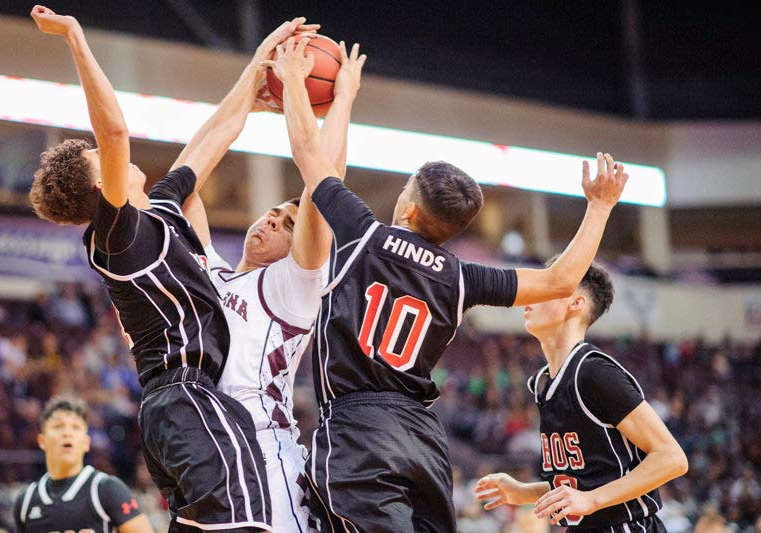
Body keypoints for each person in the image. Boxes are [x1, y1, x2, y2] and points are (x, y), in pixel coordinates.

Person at [264, 37, 630, 532]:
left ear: (409, 208)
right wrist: (601, 207)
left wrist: (298, 85)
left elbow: (310, 155)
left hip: (358, 429)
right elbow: (561, 279)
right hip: (423, 440)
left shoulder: (364, 233)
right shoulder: (461, 278)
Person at [28, 5, 317, 530]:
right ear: (101, 187)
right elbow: (114, 132)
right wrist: (75, 37)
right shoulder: (117, 236)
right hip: (183, 396)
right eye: (100, 157)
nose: (113, 153)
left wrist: (255, 68)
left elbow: (209, 141)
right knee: (249, 523)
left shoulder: (159, 211)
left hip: (188, 406)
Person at [180, 42, 366, 533]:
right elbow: (183, 188)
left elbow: (322, 187)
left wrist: (339, 98)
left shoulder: (292, 284)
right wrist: (247, 94)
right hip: (206, 450)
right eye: (271, 213)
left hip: (264, 454)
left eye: (287, 224)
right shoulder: (211, 272)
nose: (271, 220)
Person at [474, 262, 688, 531]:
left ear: (575, 303)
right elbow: (585, 480)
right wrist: (522, 492)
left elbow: (672, 458)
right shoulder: (546, 382)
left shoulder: (593, 373)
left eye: (546, 290)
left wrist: (591, 500)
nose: (531, 296)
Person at [14, 396, 153, 533]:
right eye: (58, 426)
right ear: (42, 441)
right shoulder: (26, 501)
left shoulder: (107, 489)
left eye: (75, 427)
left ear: (86, 442)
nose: (67, 433)